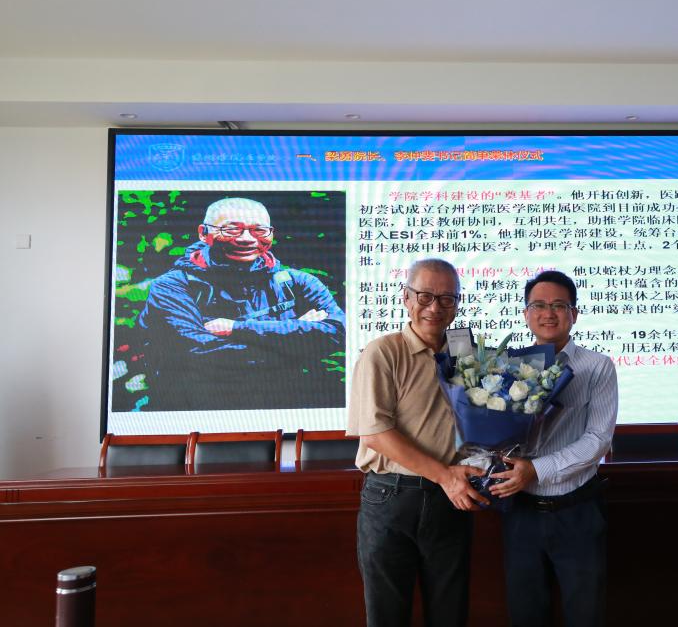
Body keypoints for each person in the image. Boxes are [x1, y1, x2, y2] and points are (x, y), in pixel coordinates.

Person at [347, 258, 488, 627]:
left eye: (447, 299)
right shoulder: (383, 351)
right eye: (425, 296)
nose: (435, 308)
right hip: (393, 496)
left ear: (457, 303)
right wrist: (445, 476)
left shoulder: (465, 350)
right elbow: (375, 433)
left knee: (450, 612)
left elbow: (483, 416)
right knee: (388, 615)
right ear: (406, 297)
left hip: (452, 497)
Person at [489, 270, 619, 627]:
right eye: (539, 305)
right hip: (521, 513)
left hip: (576, 511)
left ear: (573, 314)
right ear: (526, 314)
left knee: (585, 614)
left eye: (559, 305)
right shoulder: (506, 367)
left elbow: (598, 440)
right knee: (526, 614)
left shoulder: (597, 367)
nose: (549, 313)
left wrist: (535, 470)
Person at [134, 197, 345, 411]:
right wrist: (299, 341)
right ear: (203, 233)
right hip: (196, 411)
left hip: (282, 410)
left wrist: (237, 328)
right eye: (232, 229)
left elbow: (339, 333)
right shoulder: (172, 286)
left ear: (271, 233)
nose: (247, 239)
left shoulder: (297, 282)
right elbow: (197, 354)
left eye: (259, 230)